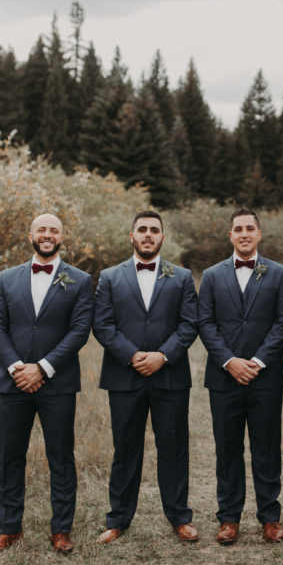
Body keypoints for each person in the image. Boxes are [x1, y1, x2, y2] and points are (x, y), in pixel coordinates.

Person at [0, 213, 93, 556]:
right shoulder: (6, 278)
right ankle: (9, 530)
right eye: (42, 229)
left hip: (57, 384)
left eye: (54, 230)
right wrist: (18, 368)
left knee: (61, 458)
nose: (48, 235)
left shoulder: (80, 280)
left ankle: (61, 530)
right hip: (12, 382)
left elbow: (79, 331)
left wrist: (42, 369)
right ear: (30, 235)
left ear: (63, 237)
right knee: (10, 458)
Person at [93, 211, 200, 543]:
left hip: (169, 375)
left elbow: (189, 324)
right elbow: (103, 324)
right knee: (125, 448)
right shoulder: (109, 277)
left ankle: (180, 518)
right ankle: (118, 520)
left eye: (155, 230)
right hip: (125, 376)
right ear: (132, 236)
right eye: (142, 230)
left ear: (163, 238)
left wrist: (163, 356)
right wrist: (132, 355)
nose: (148, 234)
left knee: (173, 447)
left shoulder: (181, 277)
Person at [197, 209, 283, 545]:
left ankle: (270, 518)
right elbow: (205, 323)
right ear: (230, 236)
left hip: (265, 376)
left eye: (250, 228)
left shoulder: (279, 273)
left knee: (266, 448)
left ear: (259, 234)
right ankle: (228, 519)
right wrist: (229, 361)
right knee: (227, 449)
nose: (244, 234)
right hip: (224, 378)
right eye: (238, 229)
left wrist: (256, 361)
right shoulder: (211, 275)